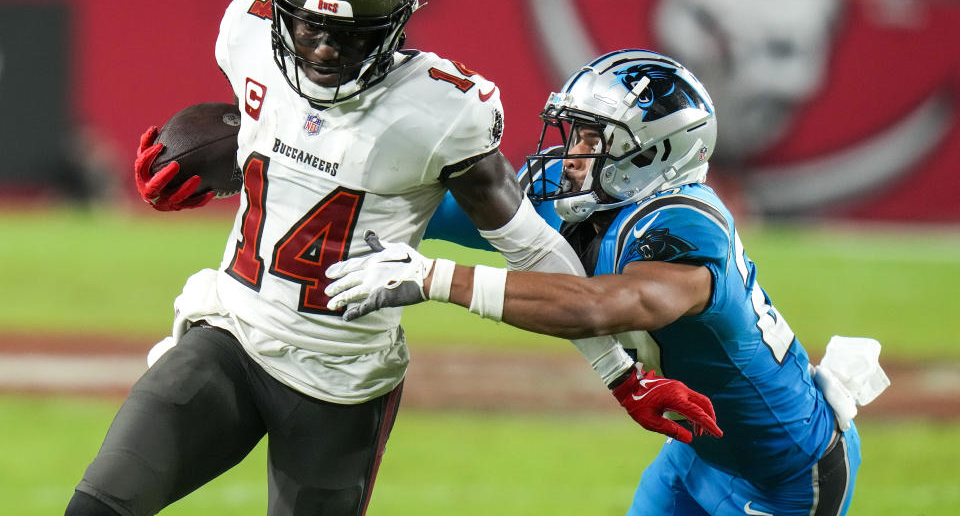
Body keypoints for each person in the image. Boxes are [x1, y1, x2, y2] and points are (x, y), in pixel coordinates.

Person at [65, 0, 720, 516]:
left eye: (346, 36)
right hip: (231, 337)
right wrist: (209, 162)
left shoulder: (441, 110)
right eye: (308, 26)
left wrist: (621, 374)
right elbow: (274, 136)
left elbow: (530, 245)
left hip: (340, 387)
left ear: (394, 26)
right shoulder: (248, 30)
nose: (320, 50)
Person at [326, 49, 889, 516]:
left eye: (592, 139)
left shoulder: (684, 223)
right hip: (698, 450)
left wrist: (434, 278)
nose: (570, 154)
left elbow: (601, 307)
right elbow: (456, 212)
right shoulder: (581, 196)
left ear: (652, 153)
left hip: (786, 472)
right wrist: (350, 186)